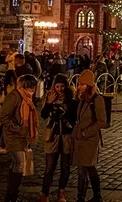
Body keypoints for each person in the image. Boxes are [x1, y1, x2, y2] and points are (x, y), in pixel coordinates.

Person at [0, 74, 39, 202]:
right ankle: (12, 196)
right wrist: (18, 129)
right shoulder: (14, 96)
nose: (32, 90)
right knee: (20, 164)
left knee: (16, 164)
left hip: (23, 136)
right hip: (13, 135)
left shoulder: (27, 98)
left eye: (33, 87)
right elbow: (4, 116)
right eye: (29, 87)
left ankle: (10, 196)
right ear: (23, 85)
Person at [72, 70, 108, 202]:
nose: (79, 87)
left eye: (82, 84)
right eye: (79, 84)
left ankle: (85, 197)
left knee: (85, 167)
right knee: (86, 167)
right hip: (80, 139)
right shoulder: (82, 99)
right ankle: (92, 195)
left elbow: (101, 121)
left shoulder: (97, 100)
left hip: (90, 139)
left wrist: (86, 132)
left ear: (88, 85)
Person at [40, 74, 77, 202]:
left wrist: (65, 113)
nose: (60, 89)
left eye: (62, 86)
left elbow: (74, 118)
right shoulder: (49, 98)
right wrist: (49, 103)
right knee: (49, 167)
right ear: (54, 86)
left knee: (65, 167)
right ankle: (44, 193)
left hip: (67, 136)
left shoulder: (71, 100)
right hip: (53, 136)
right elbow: (44, 115)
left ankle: (61, 193)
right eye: (57, 86)